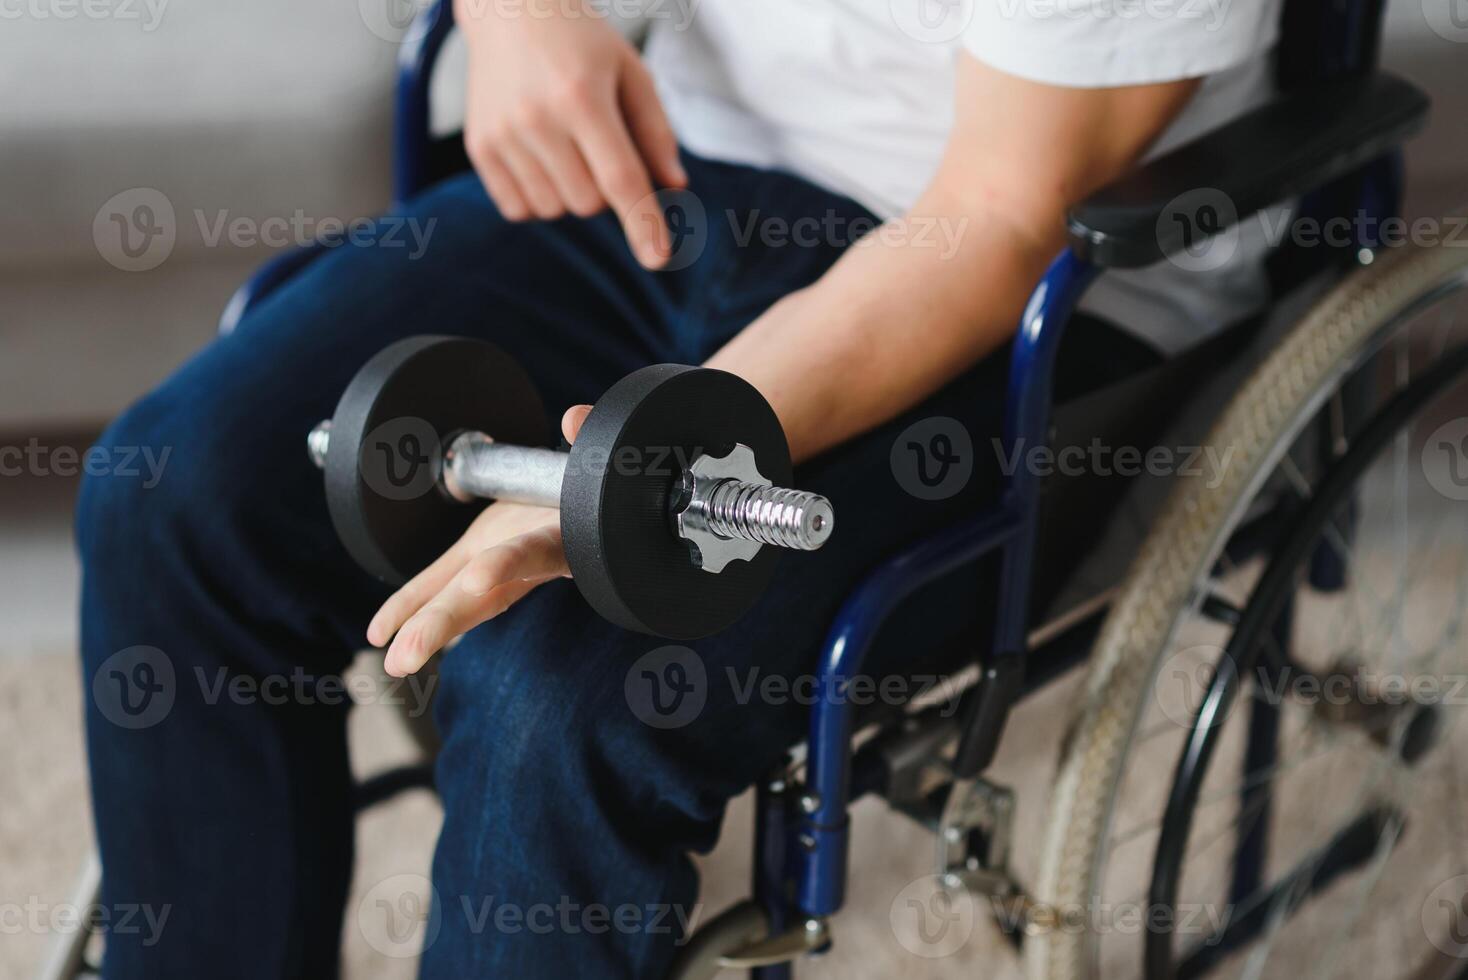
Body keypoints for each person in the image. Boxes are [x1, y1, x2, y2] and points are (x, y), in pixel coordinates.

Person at [77, 1, 1283, 976]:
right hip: (675, 168)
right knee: (170, 498)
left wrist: (643, 458)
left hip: (1020, 296)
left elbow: (997, 215)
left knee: (559, 684)